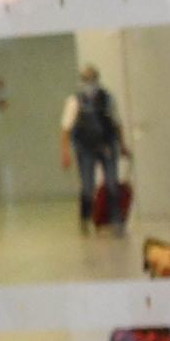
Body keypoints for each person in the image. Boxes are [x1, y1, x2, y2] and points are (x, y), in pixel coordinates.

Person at [60, 62, 127, 233]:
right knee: (87, 186)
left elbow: (117, 123)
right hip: (85, 147)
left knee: (112, 184)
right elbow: (66, 128)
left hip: (107, 145)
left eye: (92, 79)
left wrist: (123, 145)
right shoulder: (74, 101)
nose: (90, 84)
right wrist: (65, 152)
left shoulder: (107, 98)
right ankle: (85, 219)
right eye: (86, 80)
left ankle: (116, 220)